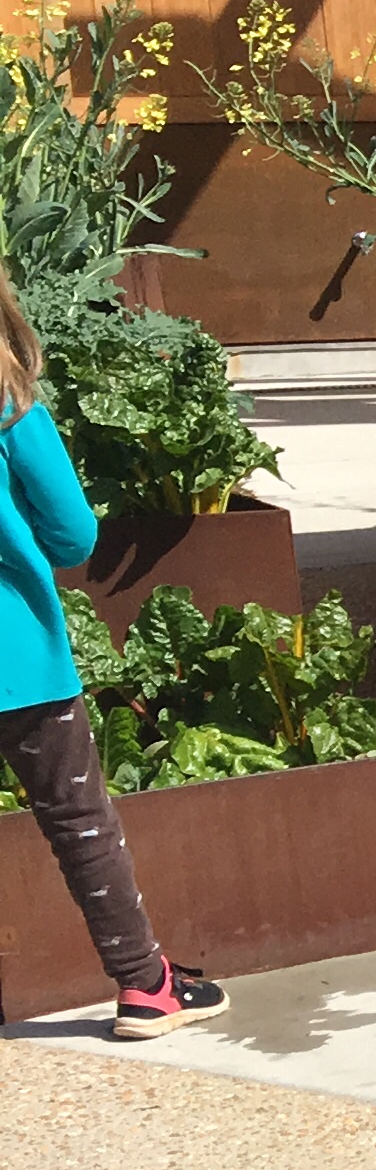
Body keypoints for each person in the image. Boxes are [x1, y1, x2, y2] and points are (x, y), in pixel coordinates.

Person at [0, 263, 225, 1040]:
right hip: (17, 658)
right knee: (78, 822)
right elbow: (72, 534)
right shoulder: (10, 406)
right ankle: (144, 984)